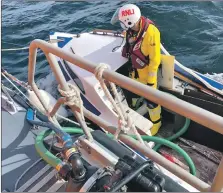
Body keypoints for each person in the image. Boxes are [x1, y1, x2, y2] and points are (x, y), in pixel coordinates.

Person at [111, 4, 162, 136]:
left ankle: (156, 123)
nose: (121, 24)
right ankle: (133, 109)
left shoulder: (151, 32)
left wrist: (151, 82)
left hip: (147, 75)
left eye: (123, 21)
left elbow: (155, 60)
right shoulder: (132, 29)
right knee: (133, 93)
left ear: (130, 20)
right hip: (135, 71)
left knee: (152, 102)